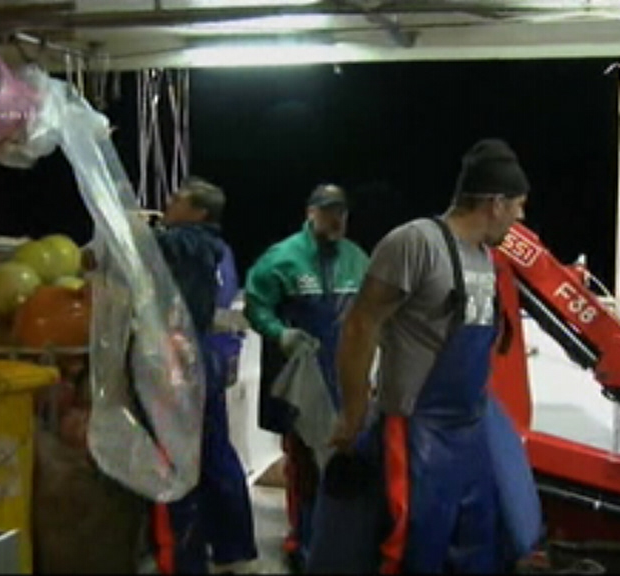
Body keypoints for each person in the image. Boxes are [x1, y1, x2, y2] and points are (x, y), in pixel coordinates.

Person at [323, 139, 542, 573]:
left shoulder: (484, 257)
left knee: (474, 546)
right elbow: (360, 326)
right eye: (518, 205)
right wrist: (352, 412)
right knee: (411, 550)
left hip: (469, 431)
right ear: (495, 203)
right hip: (415, 430)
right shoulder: (415, 243)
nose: (520, 216)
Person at [243, 183, 370, 570]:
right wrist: (279, 333)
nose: (336, 219)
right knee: (303, 465)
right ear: (310, 212)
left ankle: (340, 540)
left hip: (346, 380)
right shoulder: (281, 258)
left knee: (346, 461)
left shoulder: (357, 259)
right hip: (302, 382)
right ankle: (303, 541)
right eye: (328, 211)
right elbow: (255, 305)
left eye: (341, 212)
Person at [148, 177, 258, 575]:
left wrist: (128, 224)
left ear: (199, 212)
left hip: (180, 362)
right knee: (216, 453)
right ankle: (234, 550)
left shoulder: (186, 242)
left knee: (177, 460)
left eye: (178, 199)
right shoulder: (218, 249)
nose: (168, 202)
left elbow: (143, 248)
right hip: (206, 358)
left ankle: (184, 560)